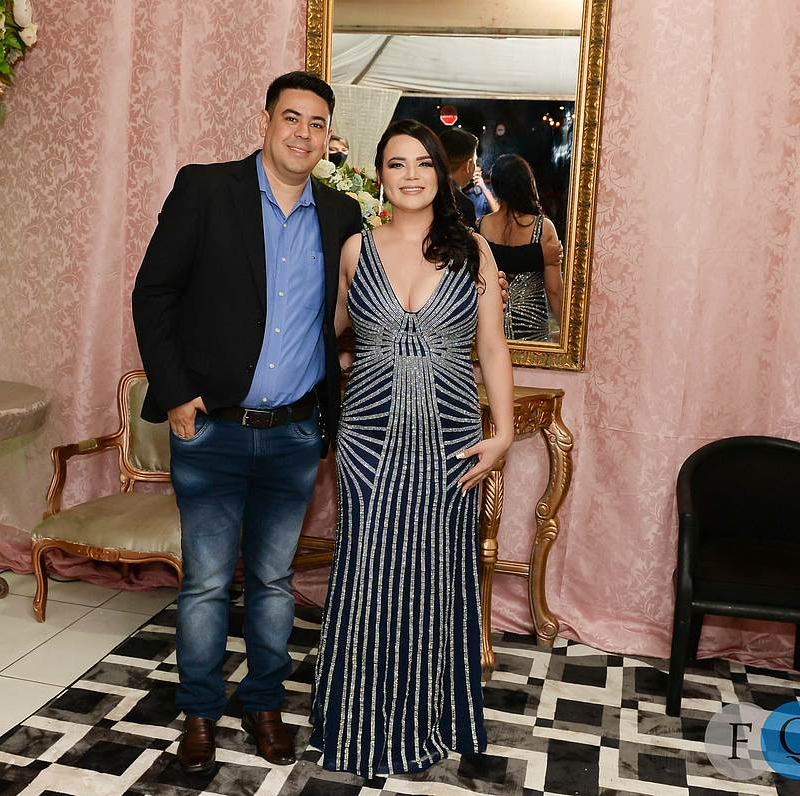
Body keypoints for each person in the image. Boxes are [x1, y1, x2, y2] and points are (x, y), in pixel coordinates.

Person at [132, 70, 363, 775]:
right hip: (213, 430)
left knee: (272, 582)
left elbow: (350, 313)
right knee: (206, 582)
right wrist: (176, 396)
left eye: (317, 123)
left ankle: (264, 706)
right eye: (292, 117)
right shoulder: (206, 189)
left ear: (329, 138)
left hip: (294, 434)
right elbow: (153, 293)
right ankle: (200, 714)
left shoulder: (341, 214)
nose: (303, 133)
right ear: (265, 120)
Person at [310, 119, 515, 777]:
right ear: (379, 175)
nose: (411, 175)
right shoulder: (354, 249)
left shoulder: (473, 250)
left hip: (449, 441)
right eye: (397, 164)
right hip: (367, 440)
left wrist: (504, 432)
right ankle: (360, 720)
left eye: (423, 163)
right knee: (368, 576)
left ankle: (431, 717)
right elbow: (325, 335)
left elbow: (492, 348)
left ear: (440, 173)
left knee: (434, 575)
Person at [479, 153, 564, 342]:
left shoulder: (481, 225)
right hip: (533, 331)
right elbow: (554, 290)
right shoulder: (543, 228)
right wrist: (569, 335)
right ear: (528, 184)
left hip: (491, 329)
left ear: (496, 186)